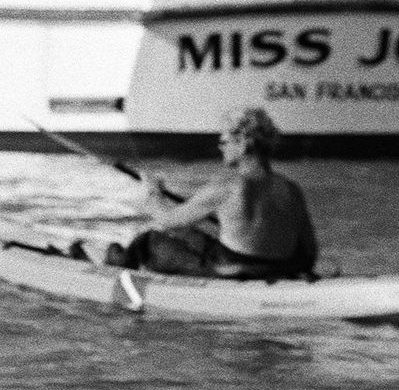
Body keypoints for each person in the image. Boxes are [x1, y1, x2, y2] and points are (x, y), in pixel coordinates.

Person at [105, 108, 318, 279]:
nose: (220, 147)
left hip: (233, 271)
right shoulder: (292, 189)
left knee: (148, 240)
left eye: (224, 141)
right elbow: (310, 252)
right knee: (188, 234)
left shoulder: (228, 185)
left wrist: (152, 192)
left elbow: (166, 220)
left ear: (243, 143)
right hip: (278, 270)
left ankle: (116, 269)